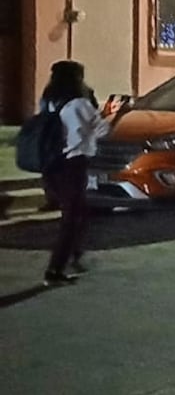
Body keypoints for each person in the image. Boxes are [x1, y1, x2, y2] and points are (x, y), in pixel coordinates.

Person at [36, 61, 110, 285]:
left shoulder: (49, 101)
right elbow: (102, 130)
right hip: (73, 164)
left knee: (78, 213)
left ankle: (73, 255)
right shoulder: (79, 103)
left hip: (52, 164)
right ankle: (55, 270)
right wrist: (108, 114)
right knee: (72, 218)